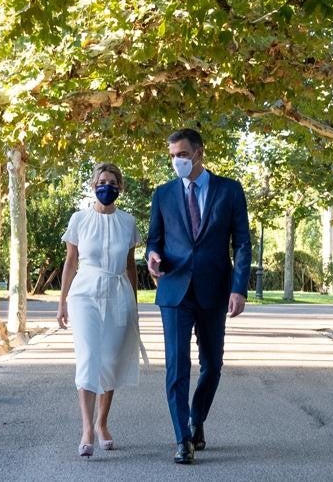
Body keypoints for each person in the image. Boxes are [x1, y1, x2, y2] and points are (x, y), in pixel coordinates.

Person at [145, 128, 252, 464]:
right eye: (172, 156)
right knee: (177, 366)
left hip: (214, 289)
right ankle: (182, 439)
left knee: (212, 365)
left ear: (198, 153)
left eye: (182, 154)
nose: (177, 160)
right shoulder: (163, 194)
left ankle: (196, 417)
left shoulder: (229, 190)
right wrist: (152, 256)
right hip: (174, 290)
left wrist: (238, 287)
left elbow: (242, 243)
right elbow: (154, 240)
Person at [56, 163, 141, 459]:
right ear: (93, 185)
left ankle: (102, 423)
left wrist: (134, 304)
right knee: (89, 356)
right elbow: (70, 261)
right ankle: (86, 429)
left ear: (120, 187)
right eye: (102, 181)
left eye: (113, 182)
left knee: (110, 360)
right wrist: (62, 301)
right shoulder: (79, 219)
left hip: (118, 292)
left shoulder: (128, 222)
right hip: (85, 293)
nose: (107, 186)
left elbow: (130, 265)